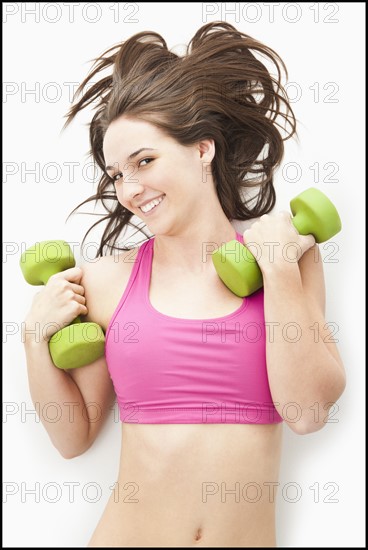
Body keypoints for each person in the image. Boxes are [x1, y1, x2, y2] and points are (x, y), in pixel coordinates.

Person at [23, 21, 346, 547]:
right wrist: (35, 338)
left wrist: (279, 269)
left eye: (144, 161)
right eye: (117, 174)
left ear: (202, 149)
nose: (129, 189)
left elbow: (307, 412)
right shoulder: (108, 281)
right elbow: (72, 438)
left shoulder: (289, 258)